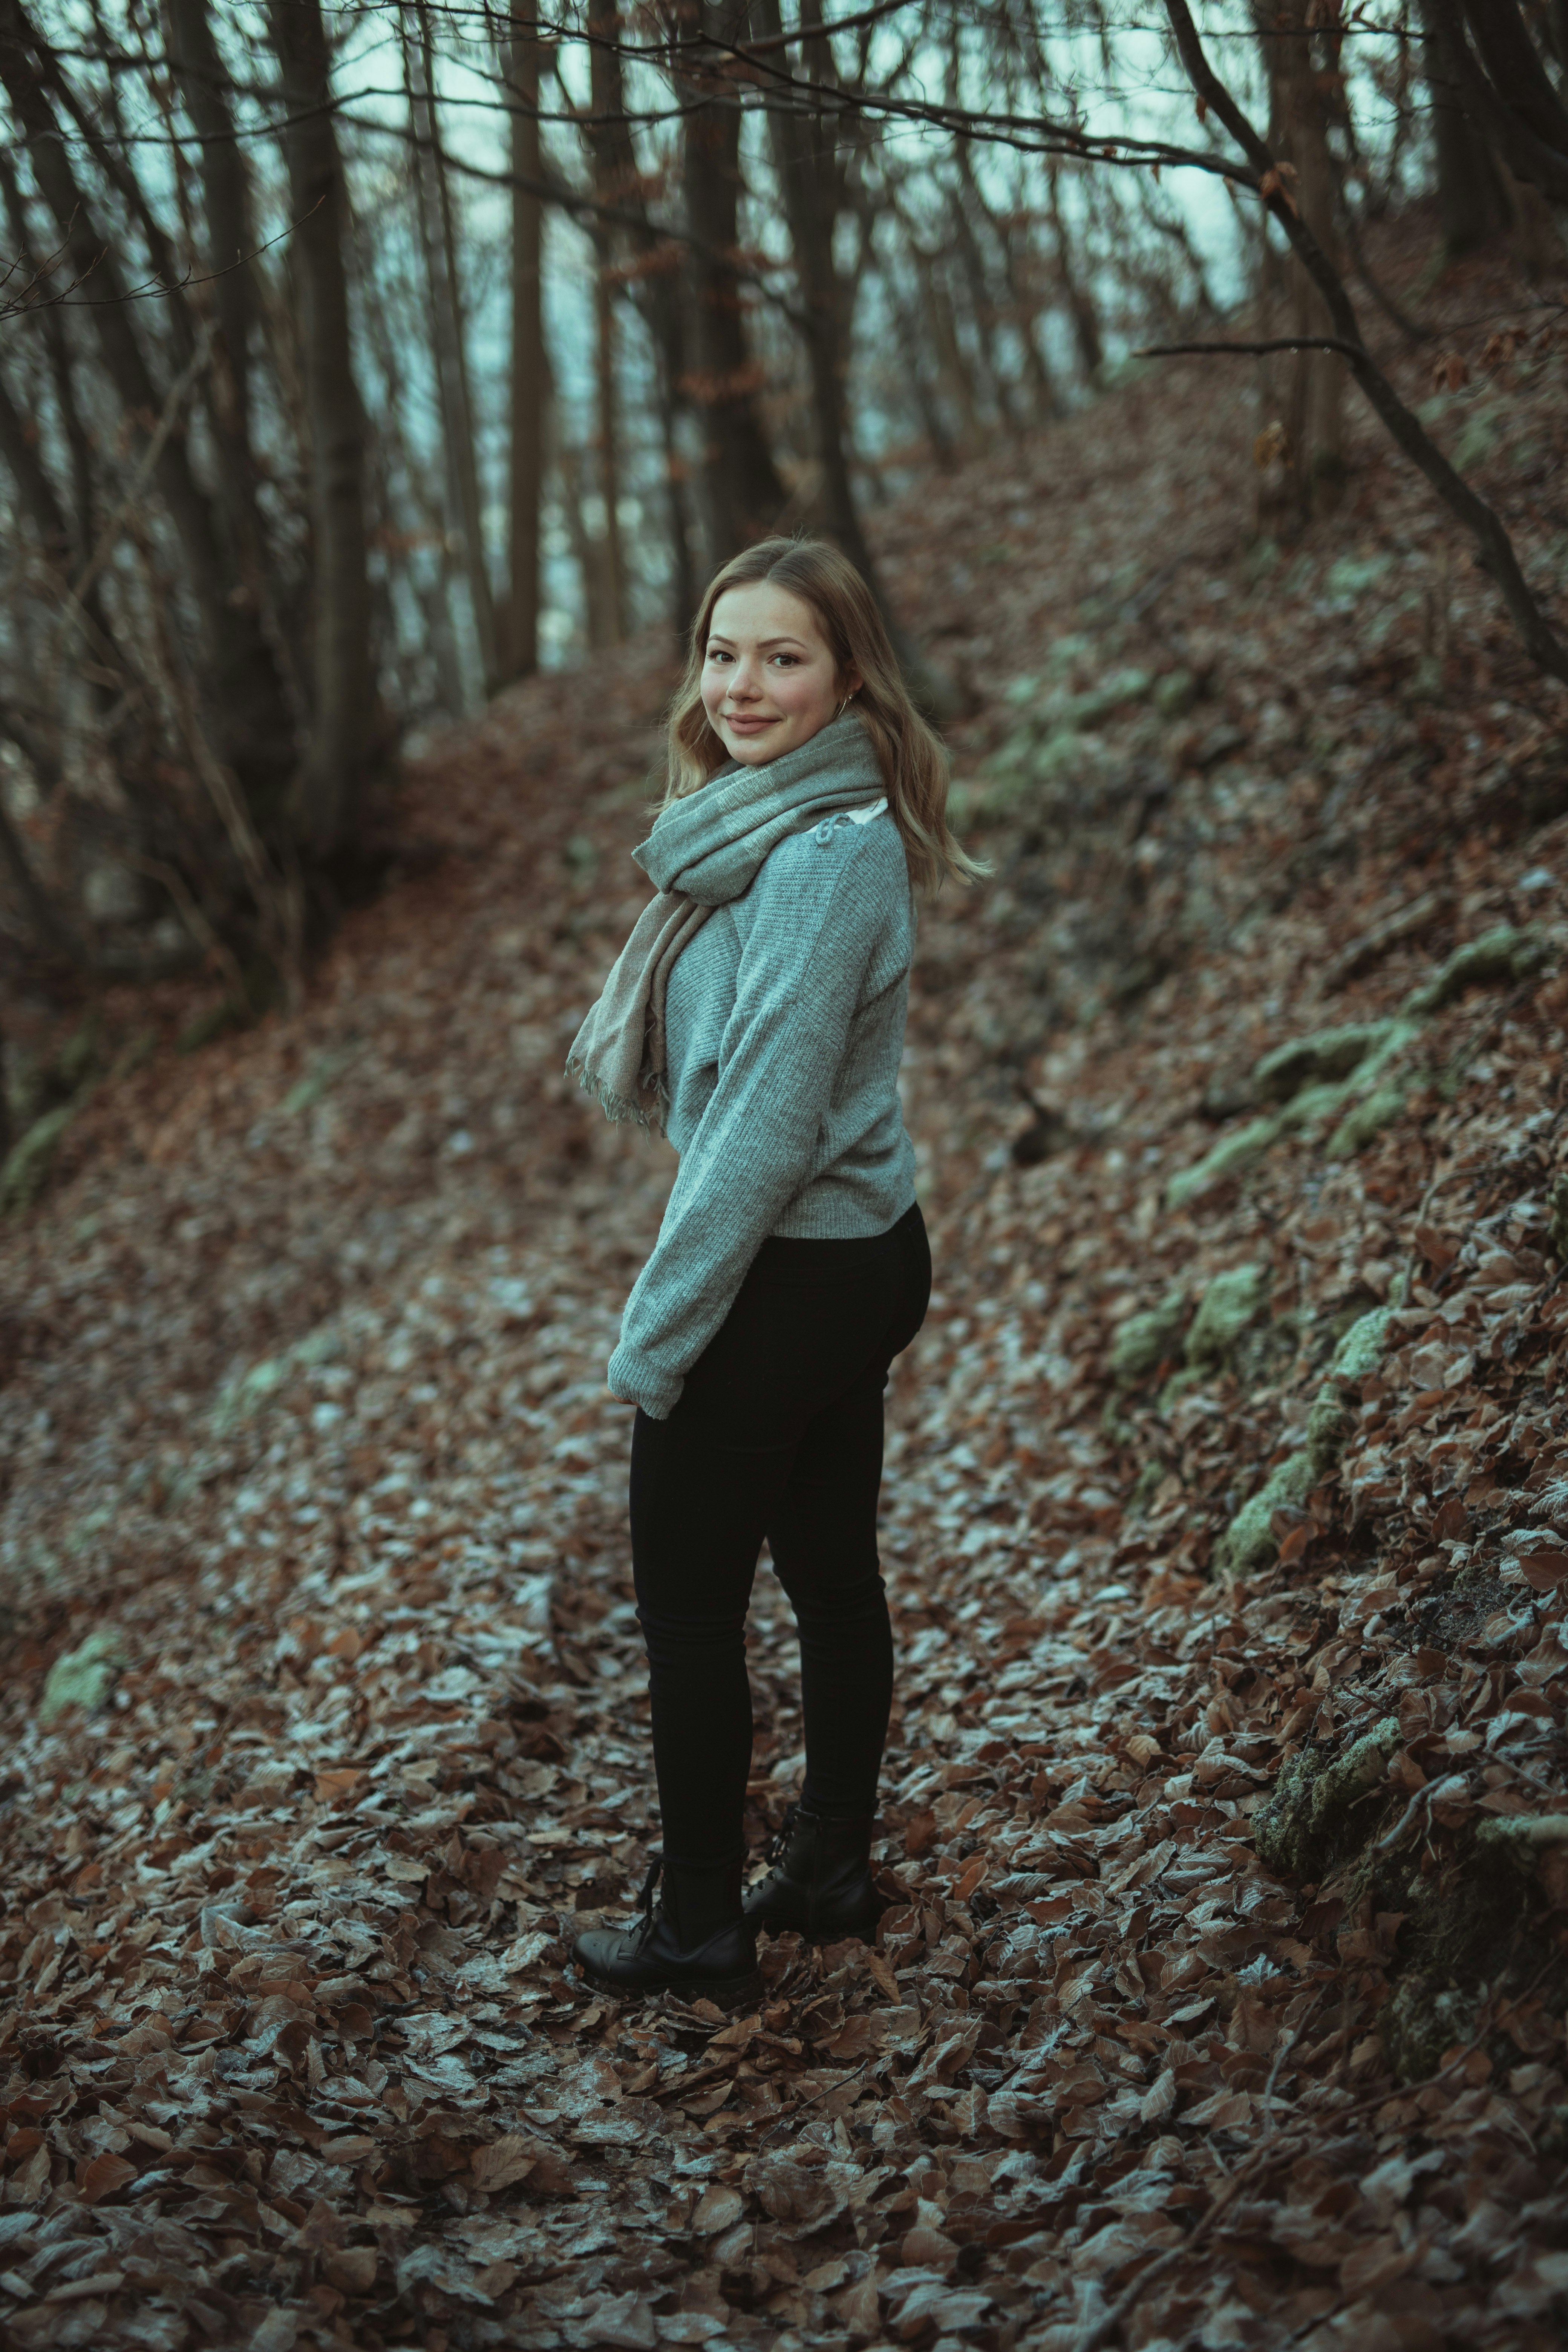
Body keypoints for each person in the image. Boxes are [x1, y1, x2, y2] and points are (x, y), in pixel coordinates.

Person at [564, 536, 980, 2004]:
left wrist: (658, 1334)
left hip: (796, 1268)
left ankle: (696, 1926)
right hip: (854, 1252)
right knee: (822, 1566)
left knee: (688, 1605)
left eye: (781, 655)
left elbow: (759, 1127)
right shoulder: (758, 822)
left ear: (846, 673)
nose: (740, 684)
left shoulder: (819, 855)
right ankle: (824, 1866)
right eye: (722, 652)